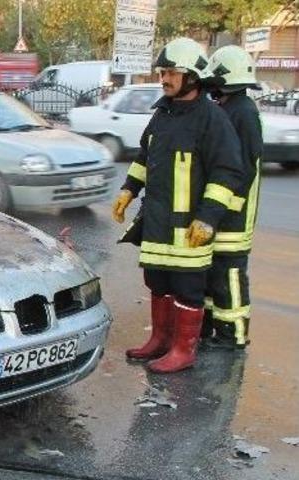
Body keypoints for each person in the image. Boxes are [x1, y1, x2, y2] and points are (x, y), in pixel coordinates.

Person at [112, 37, 245, 374]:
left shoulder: (211, 119)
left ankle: (183, 350)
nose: (164, 78)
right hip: (156, 223)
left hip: (189, 229)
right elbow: (145, 156)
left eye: (171, 72)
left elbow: (228, 172)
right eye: (162, 72)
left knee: (187, 289)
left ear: (192, 76)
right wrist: (129, 189)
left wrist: (208, 218)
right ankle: (160, 340)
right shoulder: (162, 113)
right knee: (157, 283)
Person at [202, 45, 263, 350]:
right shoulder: (231, 107)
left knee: (230, 276)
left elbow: (245, 167)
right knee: (216, 275)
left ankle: (234, 335)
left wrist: (223, 202)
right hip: (223, 211)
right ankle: (217, 329)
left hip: (234, 216)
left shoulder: (244, 112)